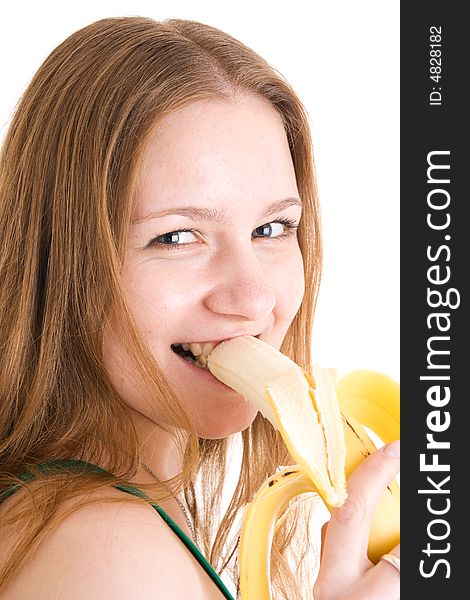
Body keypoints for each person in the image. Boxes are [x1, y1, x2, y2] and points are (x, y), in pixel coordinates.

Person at [0, 16, 400, 599]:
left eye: (272, 227)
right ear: (62, 262)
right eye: (177, 237)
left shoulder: (78, 515)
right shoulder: (114, 555)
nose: (253, 298)